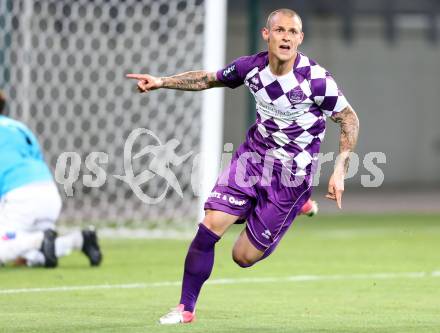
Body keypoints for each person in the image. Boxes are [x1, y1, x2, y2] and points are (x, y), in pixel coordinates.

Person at [127, 8, 359, 324]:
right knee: (210, 224)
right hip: (253, 160)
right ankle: (185, 308)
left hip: (291, 178)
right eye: (280, 30)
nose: (286, 37)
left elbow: (348, 118)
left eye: (293, 32)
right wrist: (161, 81)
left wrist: (340, 169)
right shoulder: (251, 68)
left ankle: (295, 207)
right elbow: (209, 79)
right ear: (267, 35)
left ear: (300, 39)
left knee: (242, 257)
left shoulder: (317, 81)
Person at [0, 90, 102, 268]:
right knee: (32, 257)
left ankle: (40, 239)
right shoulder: (19, 127)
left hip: (19, 198)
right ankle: (78, 240)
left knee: (8, 248)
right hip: (47, 192)